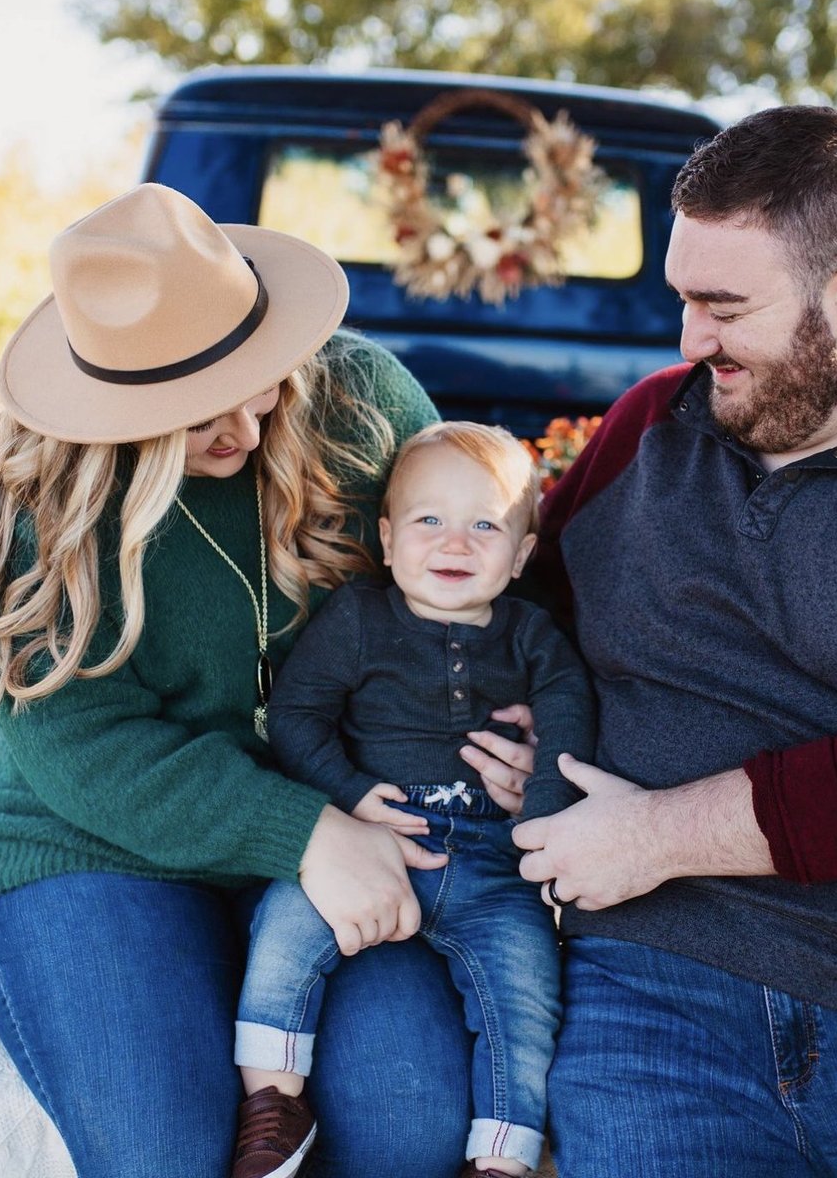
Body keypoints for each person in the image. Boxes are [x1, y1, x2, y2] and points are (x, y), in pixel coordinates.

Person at [0, 182, 535, 1178]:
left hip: (358, 815)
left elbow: (460, 574)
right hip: (95, 839)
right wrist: (303, 832)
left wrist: (508, 718)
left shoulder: (362, 402)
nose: (247, 417)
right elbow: (82, 742)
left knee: (406, 1126)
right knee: (163, 1155)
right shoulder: (37, 497)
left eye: (259, 375)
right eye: (197, 411)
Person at [512, 105, 837, 1177]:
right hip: (652, 984)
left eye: (723, 308)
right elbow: (519, 613)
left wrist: (655, 836)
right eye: (682, 301)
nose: (688, 342)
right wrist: (486, 721)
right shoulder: (646, 428)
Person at [230, 420, 595, 1178]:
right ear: (389, 541)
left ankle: (502, 1155)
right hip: (371, 848)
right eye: (429, 521)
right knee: (286, 930)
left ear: (523, 553)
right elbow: (297, 715)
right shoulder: (360, 620)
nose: (454, 544)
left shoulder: (531, 636)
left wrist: (544, 809)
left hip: (492, 871)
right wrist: (351, 795)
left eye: (484, 526)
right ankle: (272, 1104)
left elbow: (568, 712)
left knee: (524, 999)